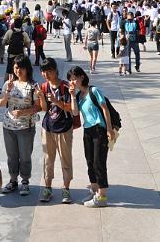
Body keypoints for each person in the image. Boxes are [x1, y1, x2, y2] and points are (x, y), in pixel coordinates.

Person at [69, 66, 115, 207]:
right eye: (70, 79)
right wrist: (72, 96)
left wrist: (109, 129)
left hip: (99, 130)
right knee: (89, 161)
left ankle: (102, 197)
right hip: (87, 131)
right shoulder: (78, 96)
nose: (72, 81)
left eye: (74, 78)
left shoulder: (93, 91)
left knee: (98, 162)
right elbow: (75, 113)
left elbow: (105, 109)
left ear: (82, 77)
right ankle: (95, 191)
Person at [0, 56, 41, 196]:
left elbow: (38, 107)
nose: (18, 71)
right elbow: (1, 104)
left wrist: (23, 112)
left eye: (21, 68)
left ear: (27, 68)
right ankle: (12, 180)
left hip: (25, 127)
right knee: (11, 156)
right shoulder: (8, 84)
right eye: (15, 68)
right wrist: (8, 90)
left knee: (25, 156)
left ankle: (25, 182)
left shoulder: (33, 85)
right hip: (8, 125)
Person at [37, 58, 75, 204]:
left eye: (49, 71)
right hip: (48, 127)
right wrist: (41, 98)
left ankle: (66, 189)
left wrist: (55, 100)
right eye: (43, 71)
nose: (46, 74)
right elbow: (45, 109)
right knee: (48, 159)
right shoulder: (44, 86)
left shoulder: (65, 86)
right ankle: (47, 188)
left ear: (55, 70)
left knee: (65, 159)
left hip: (64, 127)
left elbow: (71, 108)